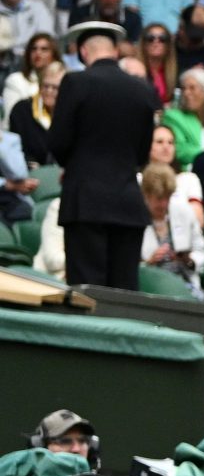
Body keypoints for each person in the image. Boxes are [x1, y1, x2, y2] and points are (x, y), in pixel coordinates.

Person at [50, 19, 158, 289]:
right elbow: (143, 154)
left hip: (86, 202)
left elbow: (58, 142)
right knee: (124, 294)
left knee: (89, 294)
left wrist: (74, 164)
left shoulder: (75, 82)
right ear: (116, 51)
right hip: (128, 204)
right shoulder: (142, 89)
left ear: (84, 52)